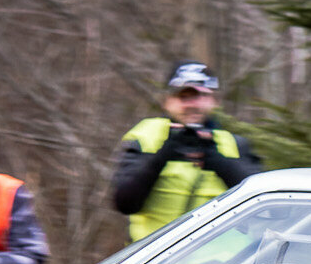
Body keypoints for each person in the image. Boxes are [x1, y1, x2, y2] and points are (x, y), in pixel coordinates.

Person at [111, 61, 262, 240]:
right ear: (167, 102)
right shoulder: (146, 137)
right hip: (155, 261)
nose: (193, 104)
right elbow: (125, 204)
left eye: (201, 96)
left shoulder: (234, 145)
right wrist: (162, 156)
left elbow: (263, 204)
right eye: (184, 96)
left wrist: (221, 163)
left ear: (215, 101)